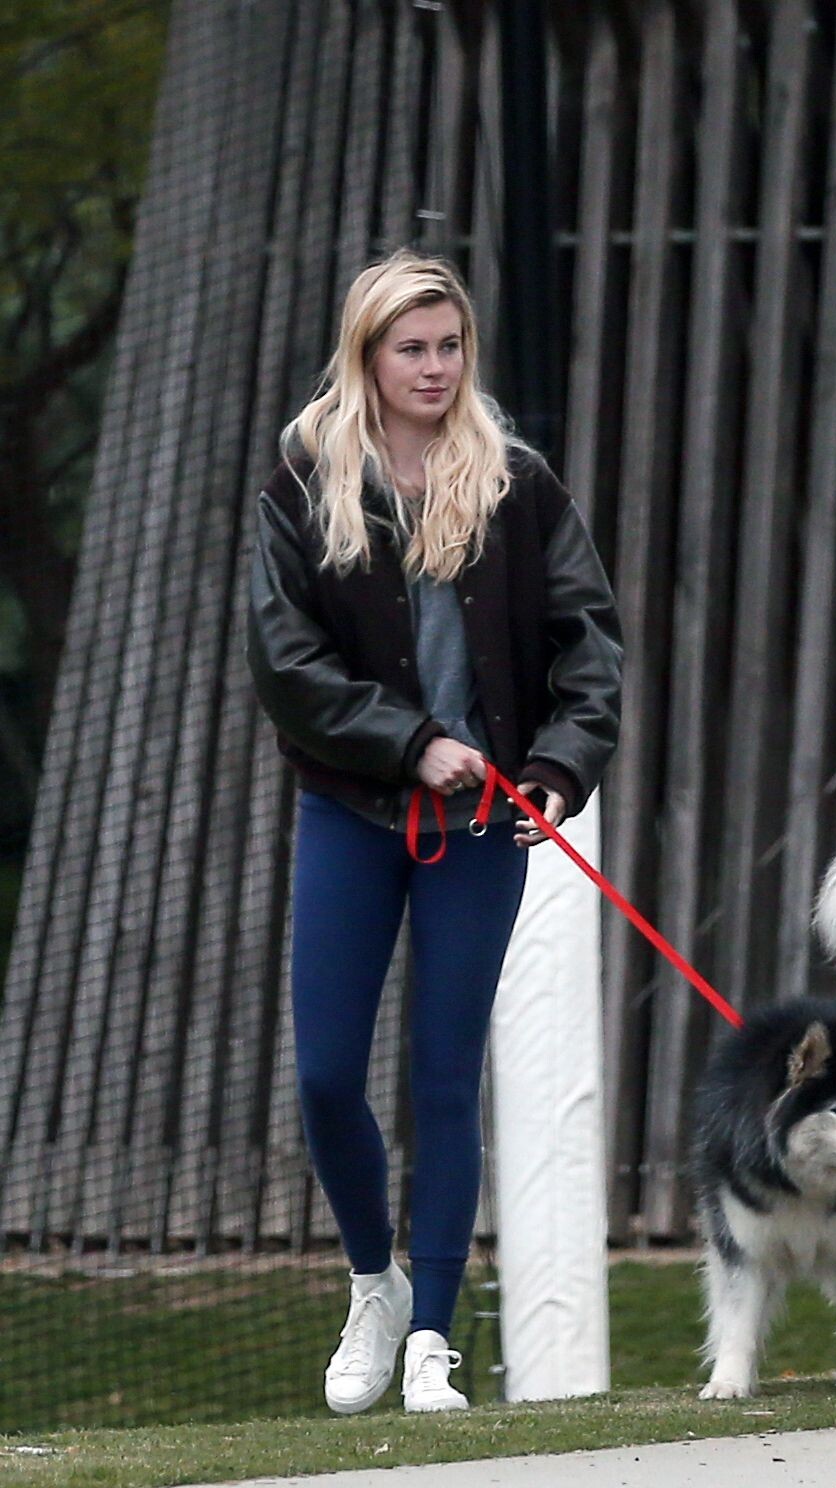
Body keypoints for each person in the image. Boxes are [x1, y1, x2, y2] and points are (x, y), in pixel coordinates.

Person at [247, 251, 622, 1415]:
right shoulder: (304, 480)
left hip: (482, 824)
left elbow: (588, 645)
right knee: (325, 1076)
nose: (434, 367)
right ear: (365, 356)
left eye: (449, 345)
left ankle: (432, 1341)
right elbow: (285, 662)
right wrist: (407, 740)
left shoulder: (515, 481)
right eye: (410, 348)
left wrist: (557, 768)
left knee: (446, 1077)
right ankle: (376, 1285)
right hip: (353, 809)